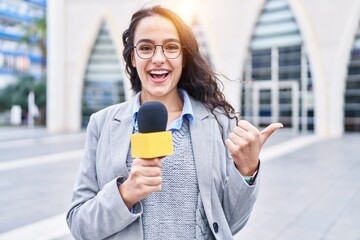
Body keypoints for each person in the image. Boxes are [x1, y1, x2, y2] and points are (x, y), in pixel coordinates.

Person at [66, 5, 282, 240]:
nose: (159, 59)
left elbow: (229, 224)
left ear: (183, 56)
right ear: (133, 57)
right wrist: (125, 194)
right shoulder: (102, 124)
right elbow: (79, 225)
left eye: (171, 47)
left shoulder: (219, 122)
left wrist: (247, 170)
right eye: (146, 48)